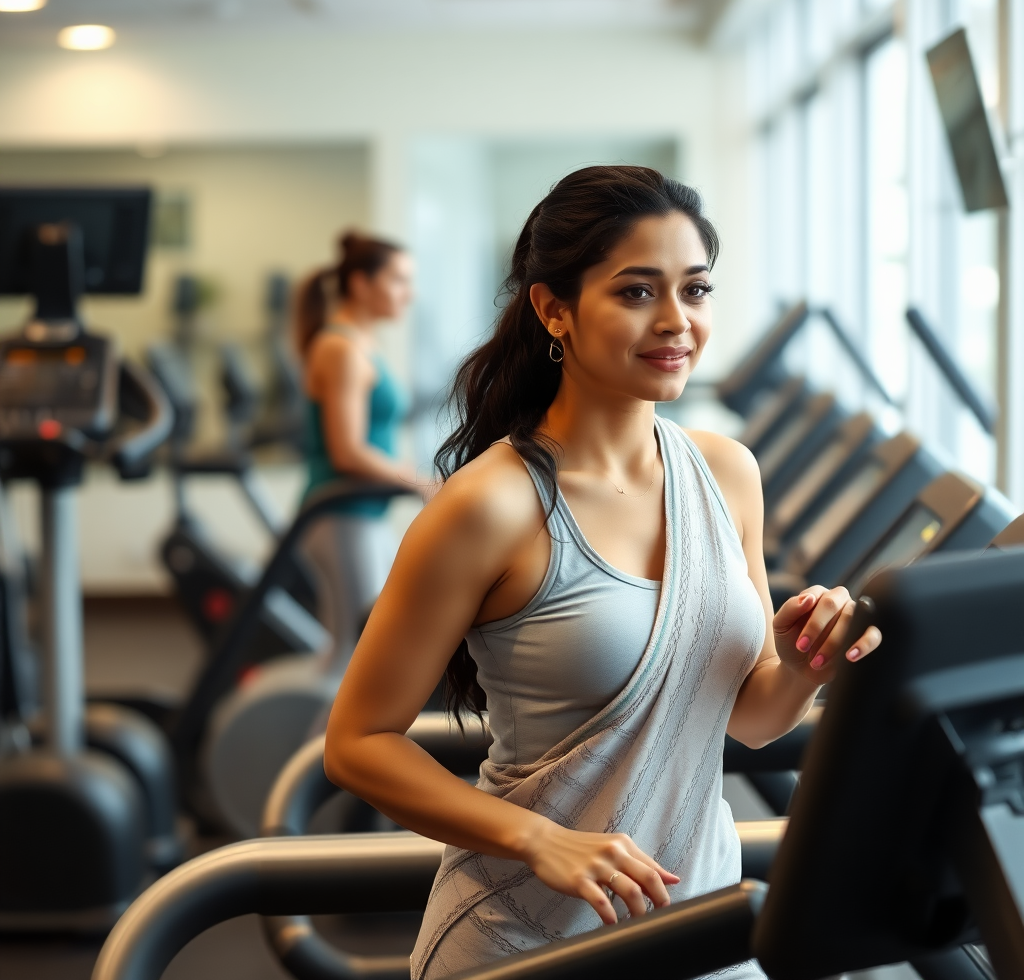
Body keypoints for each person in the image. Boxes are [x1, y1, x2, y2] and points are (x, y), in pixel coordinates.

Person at [323, 167, 882, 979]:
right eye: (635, 293)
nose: (676, 322)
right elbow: (357, 744)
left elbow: (752, 719)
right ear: (554, 309)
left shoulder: (728, 474)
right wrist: (535, 836)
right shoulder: (489, 506)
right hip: (526, 935)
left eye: (695, 290)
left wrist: (798, 664)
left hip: (698, 920)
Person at [295, 230, 423, 666]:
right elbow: (347, 451)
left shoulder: (364, 345)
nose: (410, 294)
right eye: (399, 281)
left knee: (363, 652)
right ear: (361, 285)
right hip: (340, 516)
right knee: (359, 657)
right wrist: (418, 482)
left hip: (362, 515)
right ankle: (324, 737)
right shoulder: (341, 349)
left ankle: (328, 735)